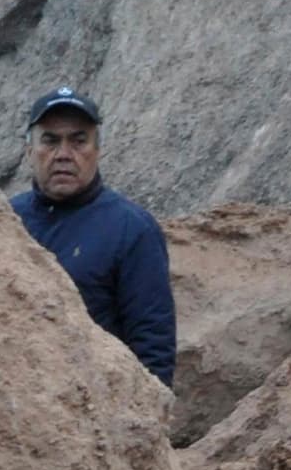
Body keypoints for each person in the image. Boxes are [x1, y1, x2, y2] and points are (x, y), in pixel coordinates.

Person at [10, 88, 176, 384]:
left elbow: (153, 347)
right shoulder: (5, 220)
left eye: (78, 141)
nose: (63, 155)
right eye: (50, 140)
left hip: (92, 408)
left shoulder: (132, 229)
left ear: (97, 150)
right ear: (28, 150)